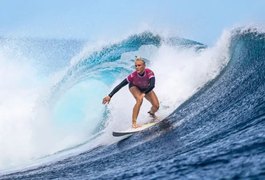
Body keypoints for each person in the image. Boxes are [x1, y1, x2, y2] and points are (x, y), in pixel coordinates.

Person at [102, 56, 159, 128]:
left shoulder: (149, 72)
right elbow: (120, 85)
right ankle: (134, 123)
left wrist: (144, 93)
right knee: (139, 99)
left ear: (144, 66)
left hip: (146, 88)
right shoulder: (132, 76)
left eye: (139, 65)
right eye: (136, 66)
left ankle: (151, 113)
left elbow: (152, 85)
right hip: (134, 87)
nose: (137, 67)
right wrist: (110, 95)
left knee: (156, 106)